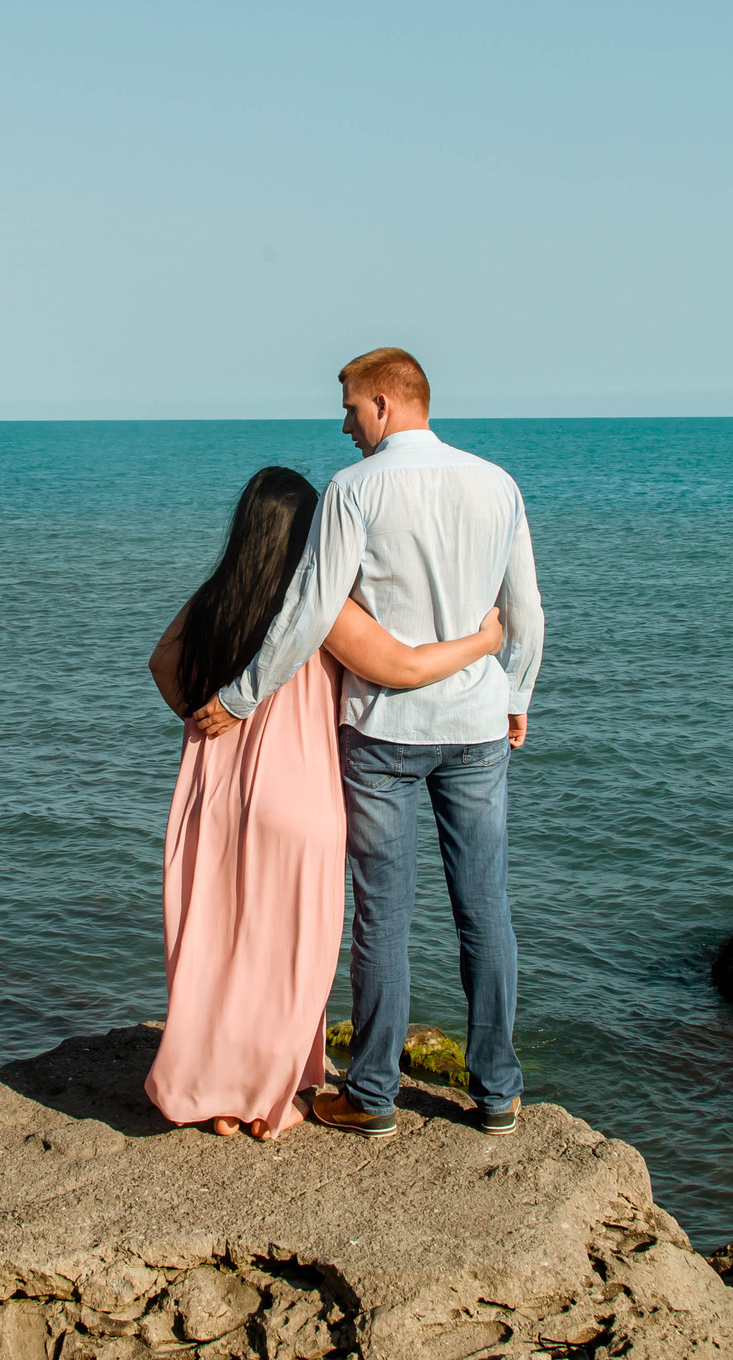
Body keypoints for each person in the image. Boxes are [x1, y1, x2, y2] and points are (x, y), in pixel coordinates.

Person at [194, 347, 544, 1137]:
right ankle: (497, 1093)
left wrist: (242, 696)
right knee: (485, 906)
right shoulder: (498, 484)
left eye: (350, 407)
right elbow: (526, 611)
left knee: (383, 913)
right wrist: (517, 694)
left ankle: (374, 1095)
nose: (345, 423)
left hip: (384, 729)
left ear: (385, 403)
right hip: (479, 726)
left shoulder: (356, 489)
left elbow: (311, 611)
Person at [144, 465, 504, 1140]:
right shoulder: (318, 606)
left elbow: (164, 664)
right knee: (289, 950)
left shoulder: (216, 596)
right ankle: (270, 1096)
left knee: (220, 943)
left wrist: (202, 720)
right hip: (299, 795)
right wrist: (485, 641)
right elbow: (402, 665)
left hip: (212, 795)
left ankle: (216, 1093)